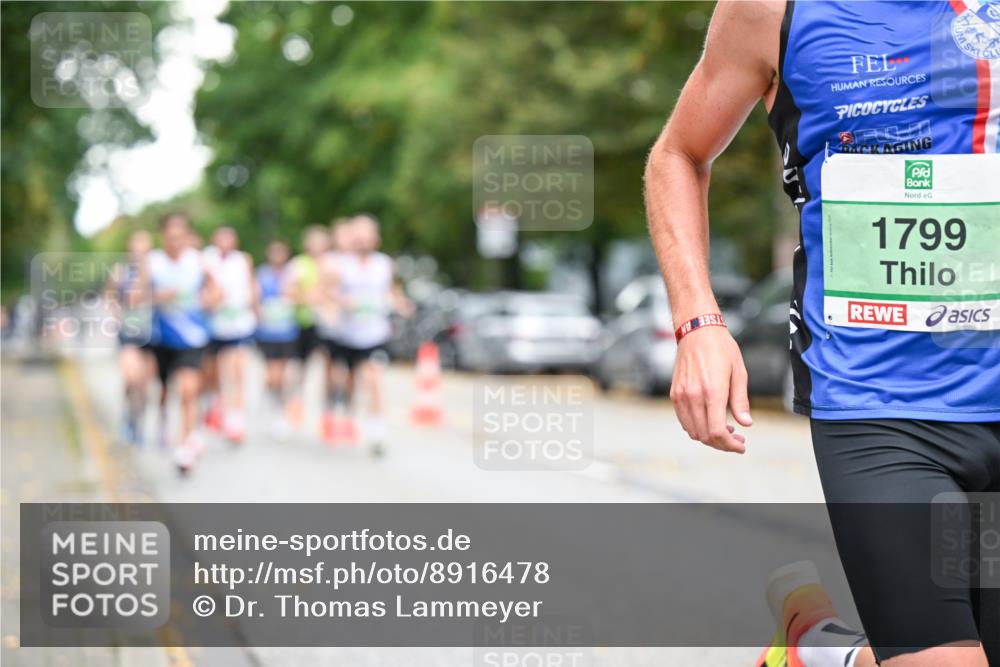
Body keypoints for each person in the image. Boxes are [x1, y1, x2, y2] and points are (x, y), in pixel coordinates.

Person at [644, 2, 998, 667]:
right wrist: (699, 323)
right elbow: (678, 155)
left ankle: (819, 653)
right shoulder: (772, 9)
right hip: (880, 406)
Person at [320, 214, 412, 455]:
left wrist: (401, 303)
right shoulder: (339, 264)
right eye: (358, 235)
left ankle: (377, 432)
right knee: (348, 382)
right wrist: (343, 301)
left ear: (375, 238)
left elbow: (392, 291)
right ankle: (343, 413)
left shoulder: (384, 264)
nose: (363, 240)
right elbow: (325, 292)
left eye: (367, 235)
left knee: (373, 378)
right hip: (346, 334)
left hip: (375, 334)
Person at [148, 213, 219, 472]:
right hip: (161, 337)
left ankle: (184, 446)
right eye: (171, 236)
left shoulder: (198, 262)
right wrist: (157, 295)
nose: (176, 241)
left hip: (193, 338)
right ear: (163, 236)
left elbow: (217, 291)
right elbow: (134, 296)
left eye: (181, 236)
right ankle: (164, 420)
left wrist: (210, 299)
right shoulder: (153, 263)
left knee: (189, 390)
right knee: (166, 390)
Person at [201, 227, 257, 444]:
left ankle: (235, 420)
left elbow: (251, 285)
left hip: (239, 324)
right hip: (214, 325)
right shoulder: (205, 259)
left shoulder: (243, 260)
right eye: (221, 237)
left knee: (237, 371)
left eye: (229, 238)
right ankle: (215, 405)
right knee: (213, 374)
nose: (225, 242)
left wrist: (254, 306)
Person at [105, 229, 155, 445]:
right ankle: (127, 419)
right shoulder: (120, 272)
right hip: (128, 334)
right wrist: (117, 314)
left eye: (144, 249)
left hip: (151, 335)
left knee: (144, 385)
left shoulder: (155, 271)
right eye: (136, 248)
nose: (139, 253)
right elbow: (108, 296)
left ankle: (138, 423)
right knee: (131, 378)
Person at [316, 217, 357, 445]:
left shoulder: (359, 262)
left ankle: (349, 416)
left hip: (354, 329)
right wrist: (335, 300)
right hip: (332, 327)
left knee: (352, 374)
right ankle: (329, 414)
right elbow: (320, 290)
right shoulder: (329, 262)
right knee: (331, 371)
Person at [286, 225, 330, 432]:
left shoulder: (332, 263)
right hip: (304, 323)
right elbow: (289, 292)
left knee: (330, 368)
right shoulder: (299, 264)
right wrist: (307, 298)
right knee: (300, 368)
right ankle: (293, 406)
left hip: (329, 325)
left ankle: (328, 413)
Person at [255, 240, 299, 441]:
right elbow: (255, 299)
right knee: (272, 375)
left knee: (282, 374)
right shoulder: (262, 274)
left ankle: (280, 411)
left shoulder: (292, 274)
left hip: (287, 332)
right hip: (267, 332)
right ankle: (271, 399)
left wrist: (292, 294)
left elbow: (299, 297)